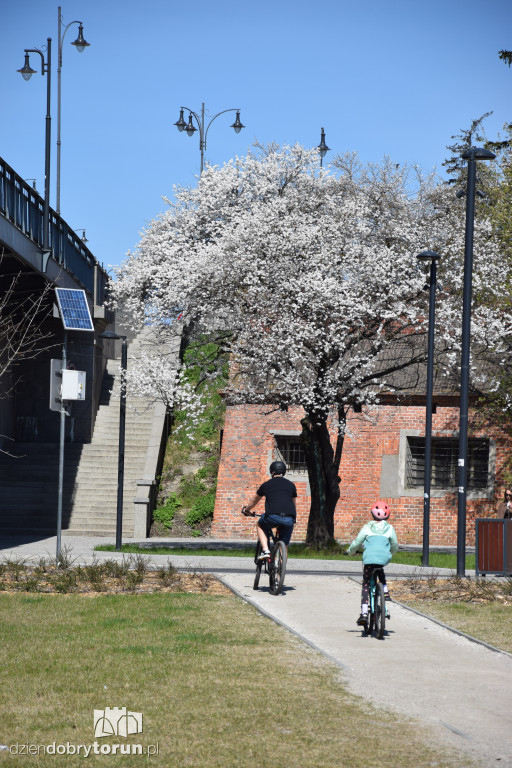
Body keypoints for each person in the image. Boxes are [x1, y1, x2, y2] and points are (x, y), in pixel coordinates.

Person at [346, 501, 399, 626]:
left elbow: (357, 542)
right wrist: (390, 553)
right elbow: (395, 545)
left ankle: (364, 613)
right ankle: (385, 592)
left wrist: (350, 552)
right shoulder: (389, 528)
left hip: (369, 559)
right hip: (383, 558)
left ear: (372, 514)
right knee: (380, 570)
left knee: (366, 584)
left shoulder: (367, 527)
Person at [242, 460, 297, 560]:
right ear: (284, 472)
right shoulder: (291, 485)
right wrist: (294, 517)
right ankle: (280, 571)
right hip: (289, 518)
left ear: (272, 472)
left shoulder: (267, 484)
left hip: (272, 516)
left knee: (260, 525)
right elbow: (293, 504)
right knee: (283, 544)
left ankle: (266, 550)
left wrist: (247, 510)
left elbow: (254, 501)